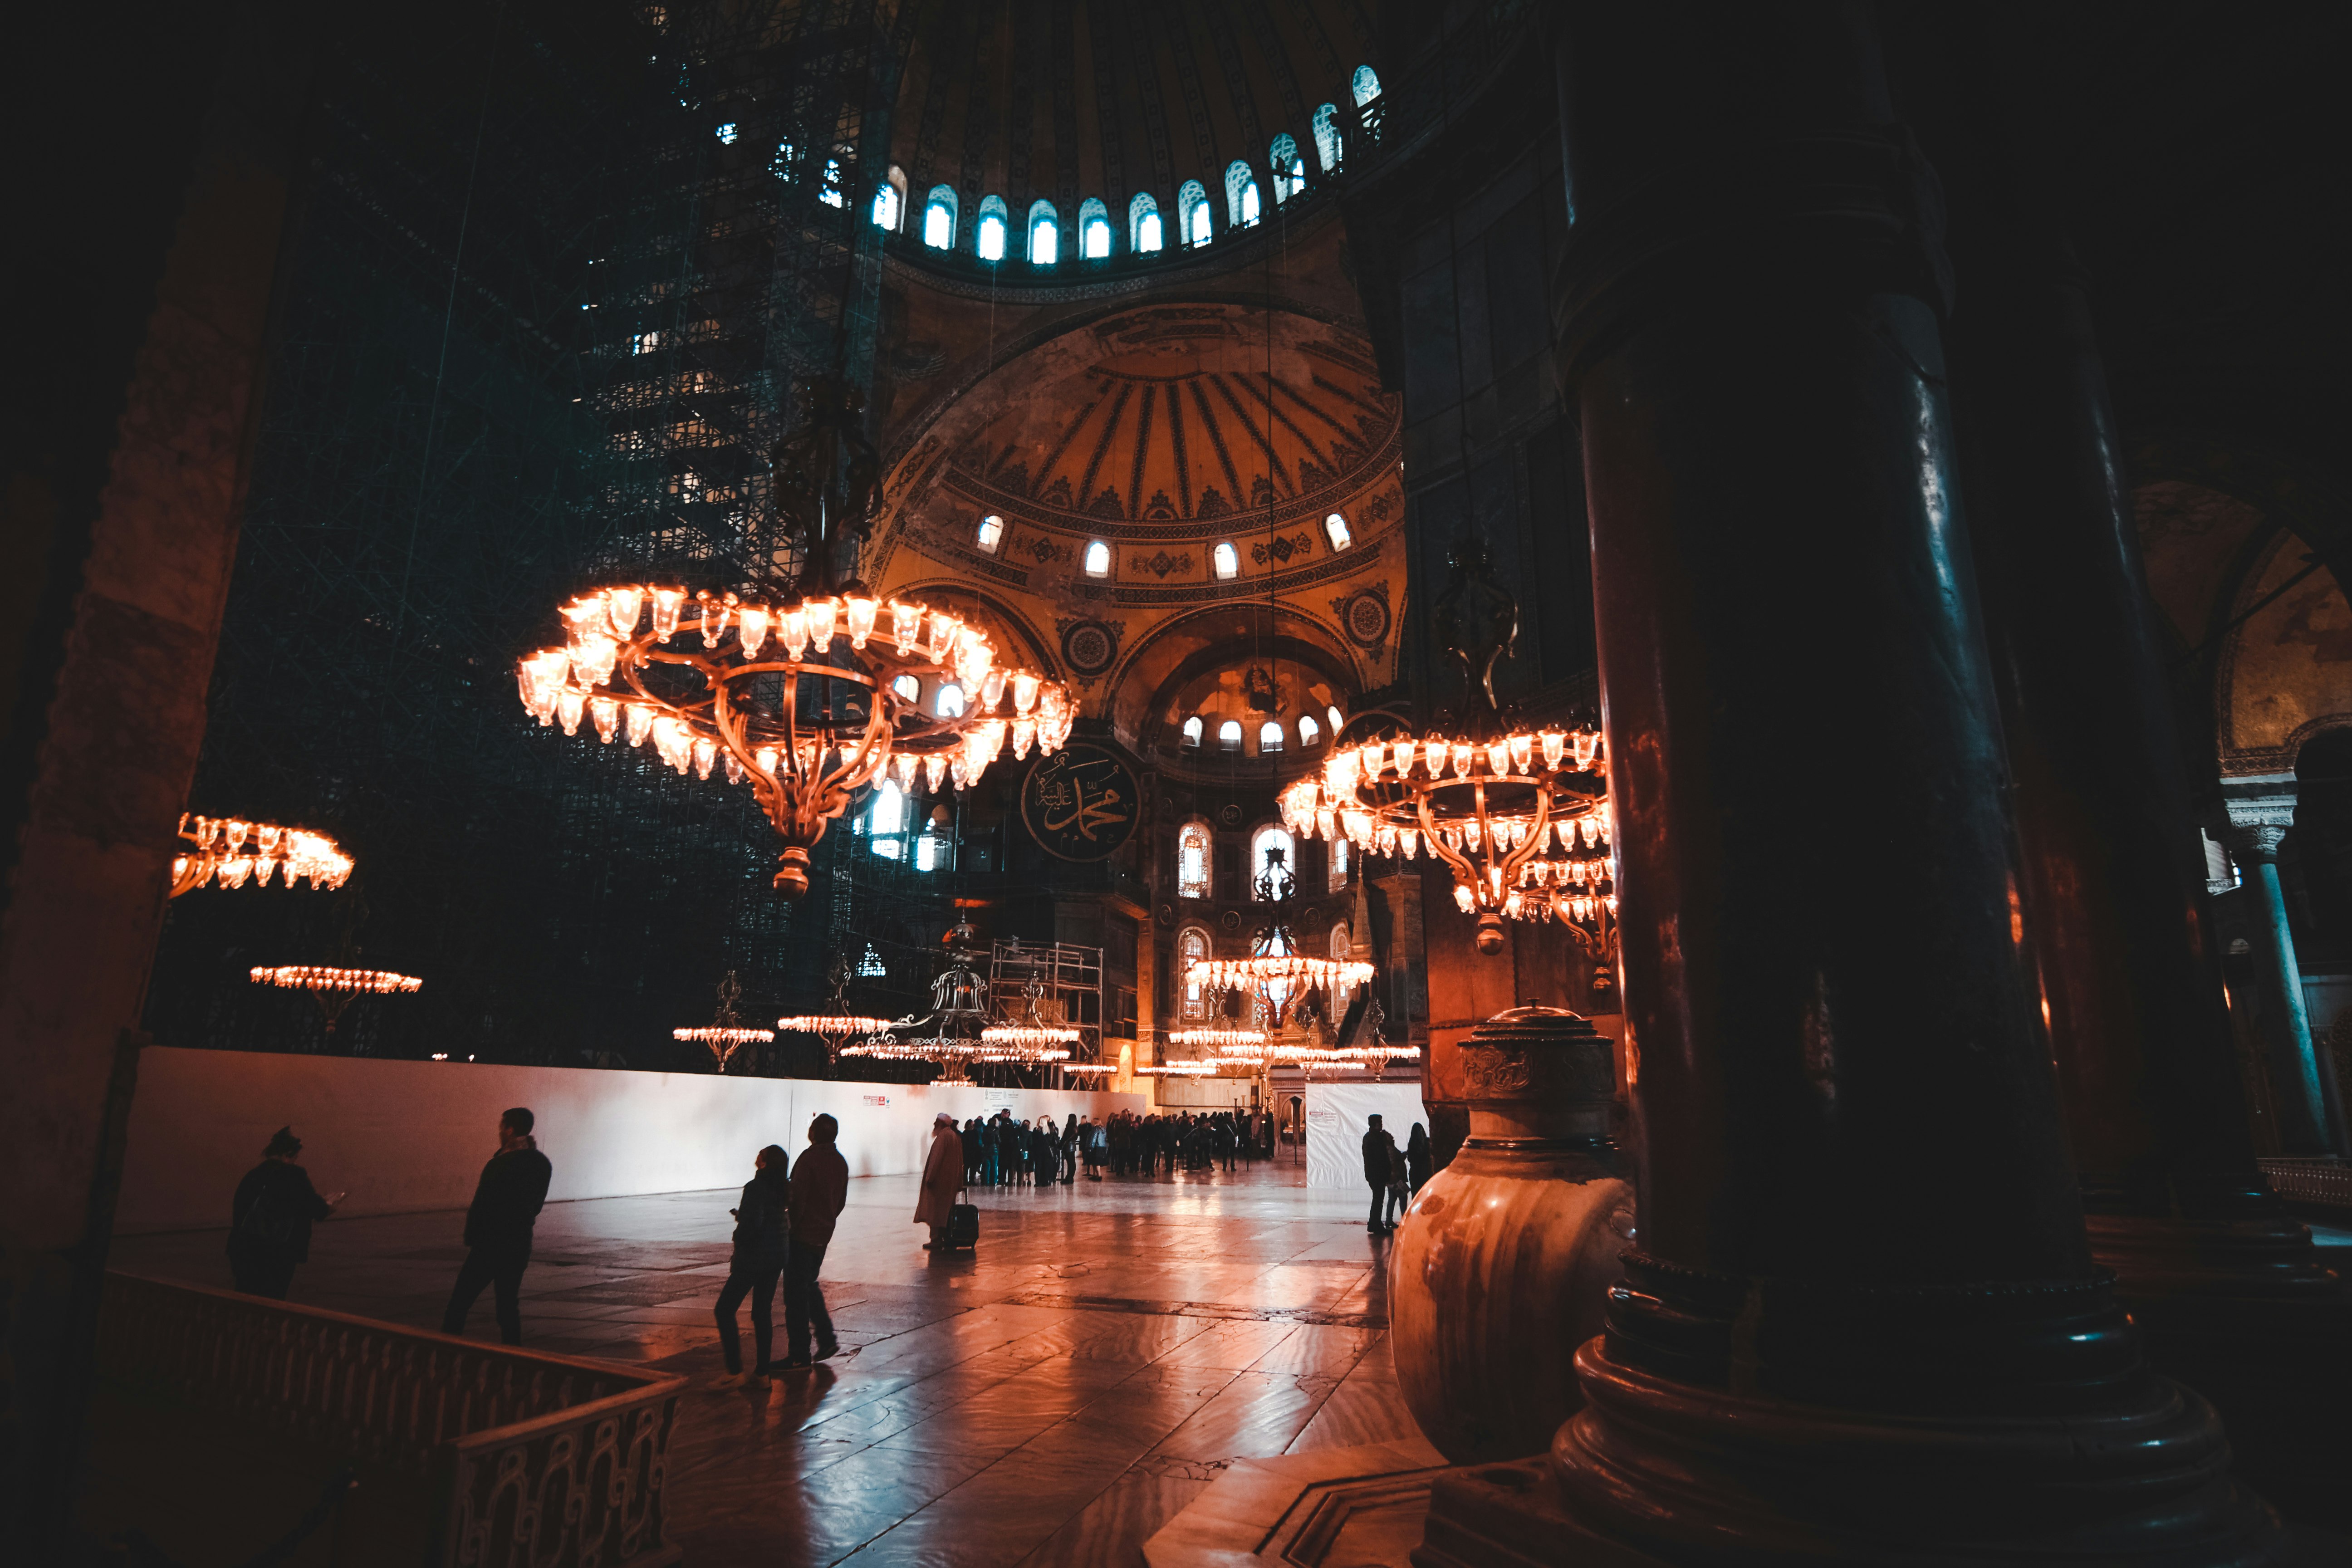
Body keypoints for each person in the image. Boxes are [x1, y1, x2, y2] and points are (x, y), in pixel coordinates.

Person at [442, 1107, 554, 1343]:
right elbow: (536, 1205)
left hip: (490, 1244)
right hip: (520, 1243)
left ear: (510, 1130)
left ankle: (445, 1352)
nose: (499, 1132)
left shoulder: (499, 1164)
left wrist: (472, 1236)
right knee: (507, 1305)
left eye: (502, 1127)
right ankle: (514, 1359)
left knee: (460, 1302)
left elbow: (481, 1204)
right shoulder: (542, 1163)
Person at [226, 1127, 339, 1299]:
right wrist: (329, 1205)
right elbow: (316, 1209)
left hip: (245, 1249)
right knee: (273, 1299)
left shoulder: (252, 1176)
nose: (295, 1161)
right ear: (287, 1154)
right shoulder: (293, 1175)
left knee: (246, 1299)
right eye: (295, 1157)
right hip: (277, 1252)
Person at [711, 1144, 788, 1388]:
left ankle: (734, 1372)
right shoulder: (784, 1188)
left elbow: (753, 1224)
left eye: (761, 1154)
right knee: (762, 1313)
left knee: (724, 1309)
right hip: (776, 1256)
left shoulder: (755, 1187)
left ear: (764, 1162)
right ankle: (763, 1374)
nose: (757, 1156)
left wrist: (739, 1235)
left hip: (755, 1257)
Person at [779, 1113, 847, 1369]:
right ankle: (827, 1339)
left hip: (802, 1235)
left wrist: (793, 1226)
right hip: (823, 1235)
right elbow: (840, 1201)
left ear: (815, 1133)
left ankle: (799, 1353)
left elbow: (797, 1197)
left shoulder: (809, 1159)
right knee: (808, 1286)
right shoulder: (840, 1162)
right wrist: (827, 1220)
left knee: (796, 1295)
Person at [915, 1112, 964, 1249]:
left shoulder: (943, 1138)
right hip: (950, 1183)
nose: (934, 1124)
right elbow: (960, 1161)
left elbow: (936, 1160)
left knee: (936, 1211)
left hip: (939, 1182)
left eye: (936, 1122)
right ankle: (948, 1237)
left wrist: (930, 1178)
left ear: (941, 1124)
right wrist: (959, 1182)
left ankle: (936, 1239)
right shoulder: (954, 1137)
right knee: (947, 1212)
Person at [1362, 1113, 1396, 1235]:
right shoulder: (1375, 1138)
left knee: (1377, 1199)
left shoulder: (1369, 1137)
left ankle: (1374, 1223)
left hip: (1374, 1174)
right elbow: (1380, 1157)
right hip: (1377, 1174)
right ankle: (1376, 1225)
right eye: (1380, 1122)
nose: (1382, 1124)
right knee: (1378, 1200)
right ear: (1376, 1124)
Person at [1406, 1122, 1433, 1197]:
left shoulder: (1412, 1144)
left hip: (1415, 1173)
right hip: (1426, 1172)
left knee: (1415, 1197)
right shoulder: (1428, 1143)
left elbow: (1410, 1159)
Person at [1062, 1113, 1079, 1183]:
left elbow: (1065, 1137)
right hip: (1073, 1146)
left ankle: (1069, 1178)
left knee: (1070, 1163)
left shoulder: (1069, 1127)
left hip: (1068, 1146)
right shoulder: (1076, 1127)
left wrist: (1060, 1145)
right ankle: (1071, 1177)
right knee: (1072, 1162)